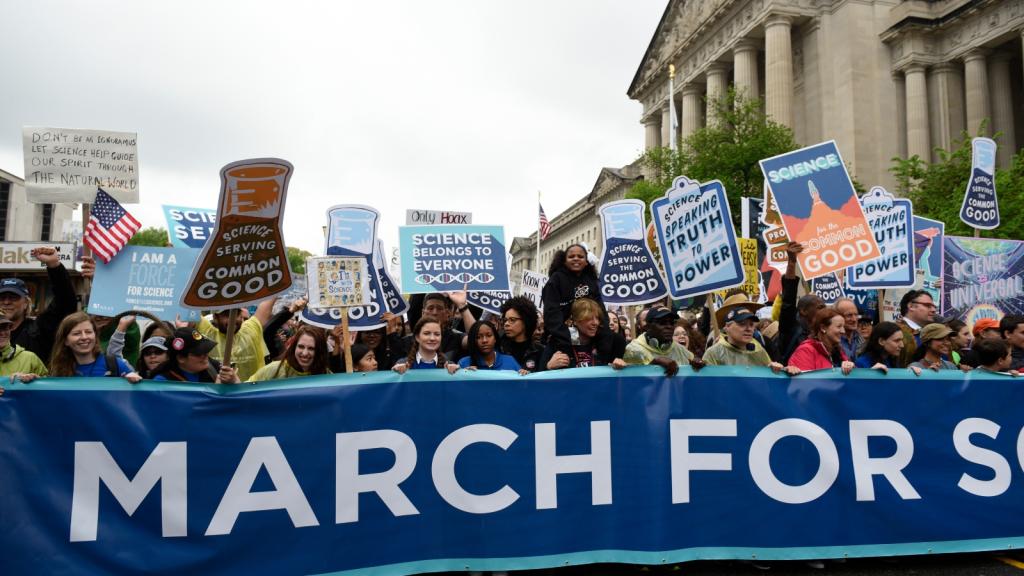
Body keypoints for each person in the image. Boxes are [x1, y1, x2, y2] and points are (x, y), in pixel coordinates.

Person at [0, 247, 83, 360]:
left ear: (25, 303)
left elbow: (65, 302)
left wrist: (54, 265)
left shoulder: (38, 330)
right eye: (2, 298)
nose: (6, 302)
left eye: (13, 297)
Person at [542, 244, 609, 357]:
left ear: (586, 261)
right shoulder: (556, 280)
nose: (576, 258)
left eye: (580, 256)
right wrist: (564, 337)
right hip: (562, 338)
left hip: (590, 337)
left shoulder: (591, 281)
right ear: (564, 261)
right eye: (571, 256)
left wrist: (604, 333)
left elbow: (600, 309)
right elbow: (551, 312)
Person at [703, 299, 793, 373]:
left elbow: (766, 385)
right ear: (727, 327)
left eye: (751, 324)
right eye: (742, 324)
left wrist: (780, 371)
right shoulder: (714, 353)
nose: (749, 329)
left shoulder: (758, 350)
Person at [49, 312, 142, 382]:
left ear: (95, 335)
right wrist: (35, 381)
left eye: (88, 332)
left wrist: (132, 380)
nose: (84, 337)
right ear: (66, 341)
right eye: (77, 333)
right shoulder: (58, 371)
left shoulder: (114, 364)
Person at [195, 300, 274, 381]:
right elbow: (189, 309)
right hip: (219, 392)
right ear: (215, 317)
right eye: (226, 315)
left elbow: (267, 302)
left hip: (252, 391)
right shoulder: (207, 333)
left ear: (241, 315)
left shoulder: (251, 330)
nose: (232, 320)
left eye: (235, 313)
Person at [541, 298, 624, 370]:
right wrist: (549, 366)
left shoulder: (605, 342)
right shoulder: (557, 342)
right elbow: (538, 377)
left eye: (597, 318)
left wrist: (620, 364)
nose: (595, 323)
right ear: (575, 320)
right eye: (589, 318)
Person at [778, 242, 826, 364]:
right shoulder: (791, 328)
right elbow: (788, 299)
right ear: (803, 311)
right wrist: (792, 263)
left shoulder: (824, 332)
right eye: (820, 307)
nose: (824, 311)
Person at [152, 327, 240, 383]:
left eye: (206, 350)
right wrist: (216, 390)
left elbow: (239, 398)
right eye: (199, 353)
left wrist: (234, 380)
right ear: (181, 358)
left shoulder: (216, 369)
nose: (205, 355)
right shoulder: (162, 382)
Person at [622, 305, 692, 376]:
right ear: (648, 327)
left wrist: (697, 364)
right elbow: (631, 380)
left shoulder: (680, 349)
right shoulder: (633, 350)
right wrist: (655, 362)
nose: (669, 326)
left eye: (672, 323)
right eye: (662, 323)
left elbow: (693, 364)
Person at [248, 325, 331, 381]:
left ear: (319, 351)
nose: (305, 353)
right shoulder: (274, 369)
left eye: (311, 348)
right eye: (301, 346)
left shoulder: (326, 375)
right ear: (294, 347)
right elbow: (246, 391)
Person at [787, 308, 854, 374]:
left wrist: (851, 368)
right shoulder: (806, 350)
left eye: (843, 327)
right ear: (823, 328)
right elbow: (803, 382)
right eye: (839, 326)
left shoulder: (839, 351)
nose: (843, 331)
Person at [392, 318, 460, 374]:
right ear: (417, 337)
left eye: (437, 334)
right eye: (427, 333)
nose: (432, 338)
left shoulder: (449, 365)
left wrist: (456, 372)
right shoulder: (403, 363)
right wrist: (396, 371)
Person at [854, 321, 920, 374]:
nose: (902, 345)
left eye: (901, 340)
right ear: (881, 341)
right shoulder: (862, 363)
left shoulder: (893, 361)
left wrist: (909, 373)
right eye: (897, 341)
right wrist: (871, 375)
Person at [0, 312, 47, 383]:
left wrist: (35, 379)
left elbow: (50, 387)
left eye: (5, 328)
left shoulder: (30, 358)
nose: (2, 333)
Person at [498, 296, 543, 372]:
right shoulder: (498, 347)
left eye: (512, 320)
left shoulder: (540, 351)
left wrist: (549, 367)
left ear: (526, 321)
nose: (506, 324)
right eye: (505, 320)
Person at [459, 320, 523, 372]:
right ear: (473, 341)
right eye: (478, 337)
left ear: (495, 339)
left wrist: (524, 376)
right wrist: (463, 375)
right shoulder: (464, 363)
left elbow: (522, 386)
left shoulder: (510, 361)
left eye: (489, 335)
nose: (484, 340)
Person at [896, 289, 937, 366]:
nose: (934, 310)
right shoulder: (895, 331)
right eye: (928, 305)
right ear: (911, 306)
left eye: (934, 306)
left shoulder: (931, 333)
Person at [833, 298, 863, 363]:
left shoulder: (862, 340)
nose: (854, 319)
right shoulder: (831, 342)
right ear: (837, 316)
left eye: (856, 315)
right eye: (849, 315)